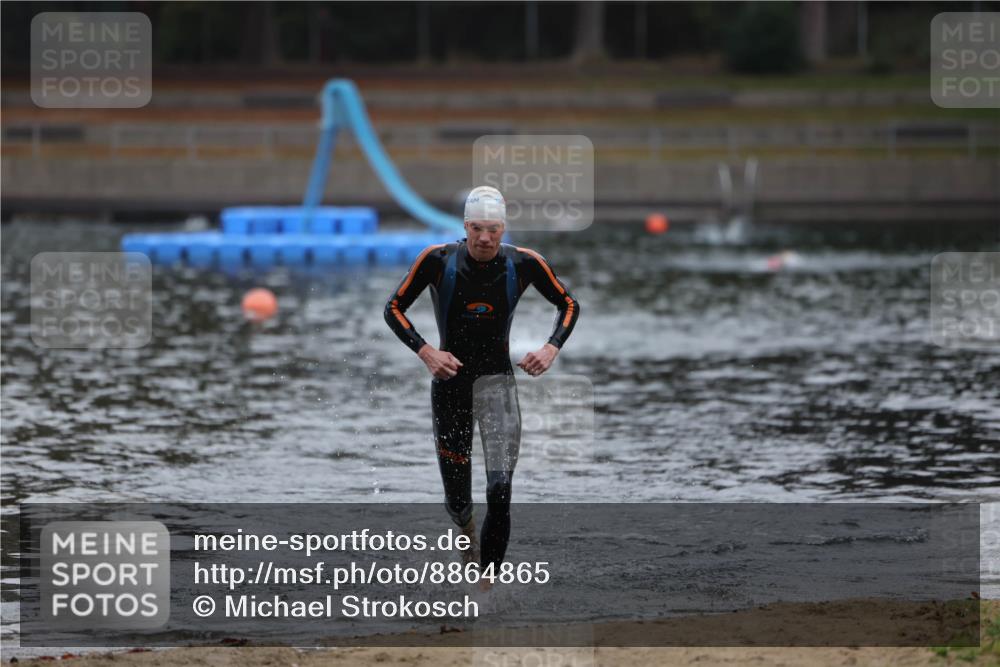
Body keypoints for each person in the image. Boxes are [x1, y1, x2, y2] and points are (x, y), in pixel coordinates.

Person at [383, 185, 580, 582]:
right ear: (465, 226)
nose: (485, 238)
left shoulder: (524, 264)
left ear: (503, 228)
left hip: (498, 387)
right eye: (477, 229)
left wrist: (551, 348)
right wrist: (426, 353)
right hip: (451, 384)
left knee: (500, 490)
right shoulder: (437, 261)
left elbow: (569, 304)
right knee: (459, 501)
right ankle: (466, 531)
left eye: (493, 229)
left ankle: (486, 586)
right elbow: (393, 308)